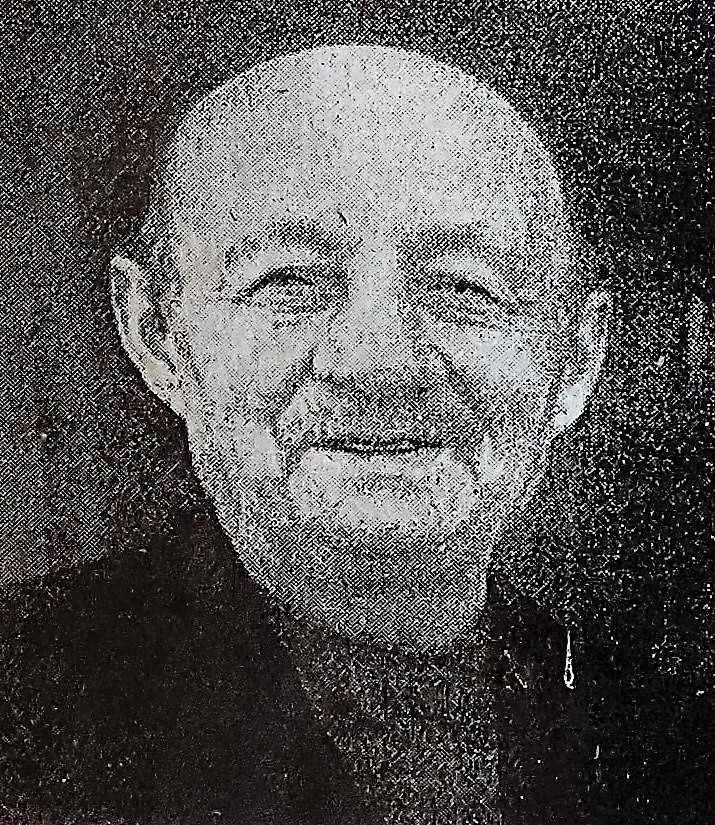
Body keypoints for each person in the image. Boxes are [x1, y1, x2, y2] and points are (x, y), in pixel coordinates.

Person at [0, 45, 708, 825]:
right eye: (288, 281)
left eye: (464, 287)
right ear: (158, 335)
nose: (379, 364)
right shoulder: (24, 696)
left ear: (572, 361)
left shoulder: (672, 743)